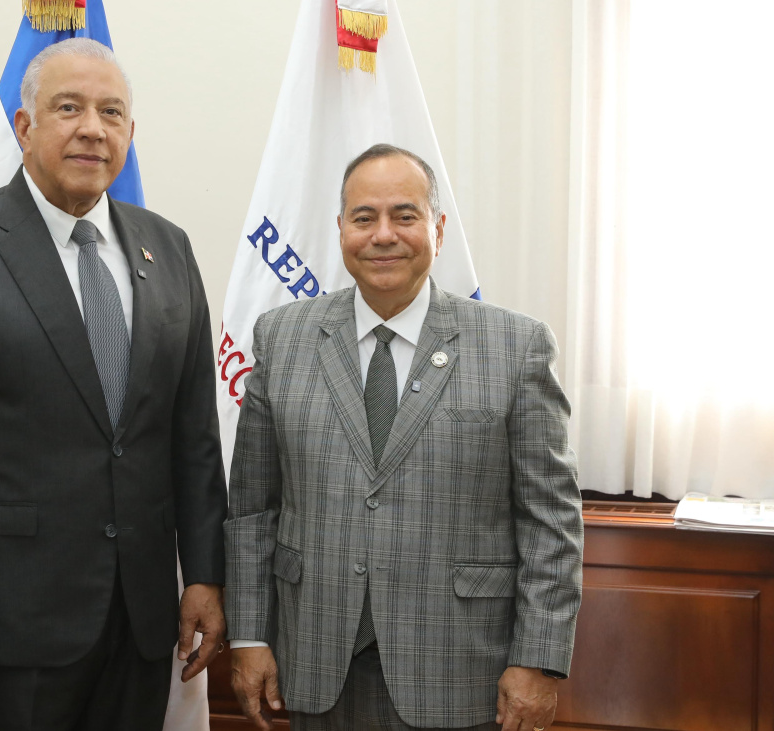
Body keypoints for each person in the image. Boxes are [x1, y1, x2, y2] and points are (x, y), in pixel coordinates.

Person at [0, 38, 227, 730]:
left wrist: (205, 574)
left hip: (141, 621)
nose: (92, 128)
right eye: (68, 108)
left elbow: (193, 435)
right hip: (6, 627)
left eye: (111, 112)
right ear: (24, 126)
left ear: (130, 132)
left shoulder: (170, 247)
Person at [225, 144, 584, 731]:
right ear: (341, 229)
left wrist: (538, 660)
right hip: (315, 661)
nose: (383, 235)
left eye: (405, 215)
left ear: (437, 229)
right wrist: (248, 635)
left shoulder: (515, 347)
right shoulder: (282, 338)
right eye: (364, 217)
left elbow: (551, 521)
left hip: (460, 670)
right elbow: (252, 509)